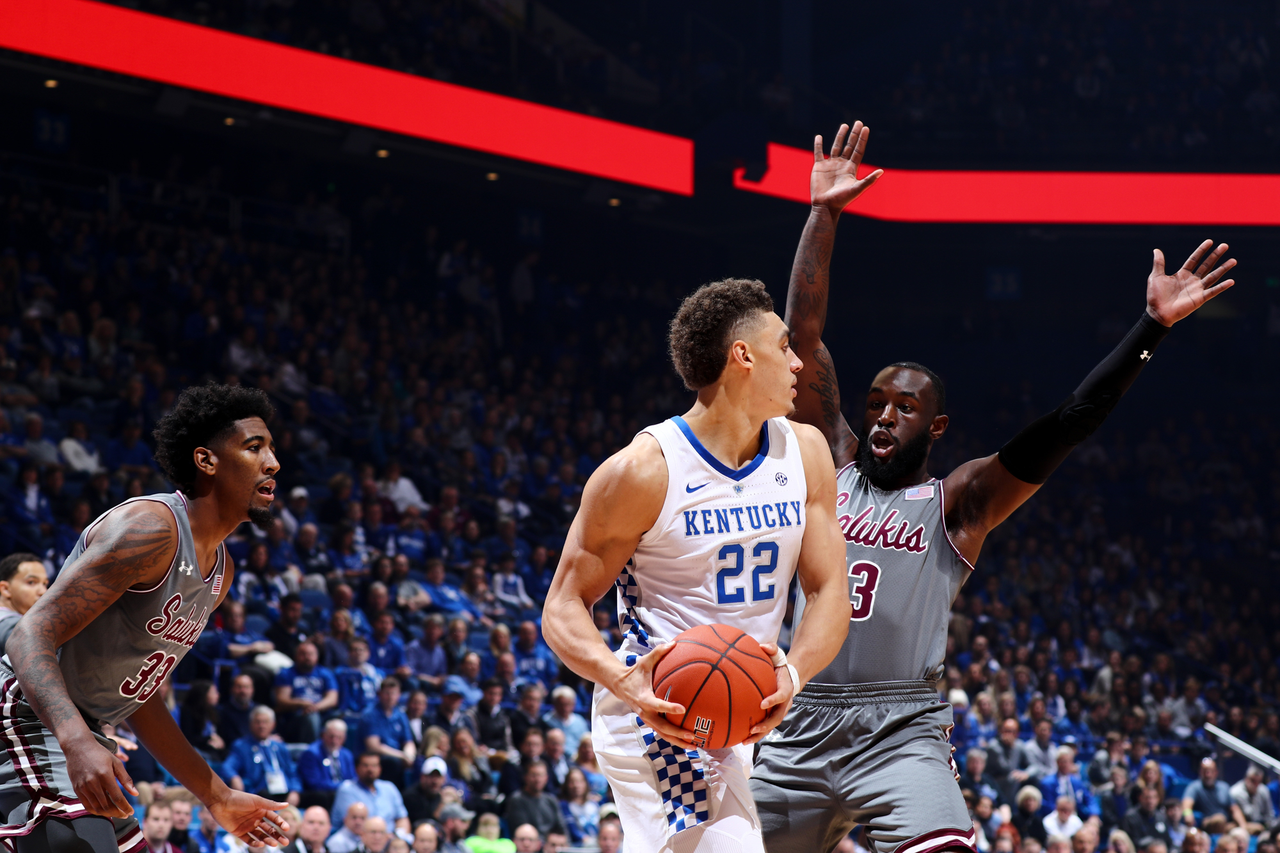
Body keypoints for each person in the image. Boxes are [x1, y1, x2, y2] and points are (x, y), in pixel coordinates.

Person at [751, 121, 1238, 853]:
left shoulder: (960, 502)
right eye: (876, 402)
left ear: (936, 427)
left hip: (900, 728)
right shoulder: (834, 462)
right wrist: (823, 213)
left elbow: (1070, 421)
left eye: (903, 407)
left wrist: (1151, 327)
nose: (882, 416)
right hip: (801, 715)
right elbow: (803, 336)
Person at [542, 272, 849, 848]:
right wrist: (621, 680)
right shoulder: (643, 471)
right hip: (656, 707)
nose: (798, 364)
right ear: (743, 356)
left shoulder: (805, 452)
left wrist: (793, 672)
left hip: (735, 707)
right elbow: (562, 606)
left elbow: (832, 593)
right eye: (783, 347)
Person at [0, 384, 291, 852]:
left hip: (83, 726)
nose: (272, 462)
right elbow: (28, 634)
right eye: (254, 447)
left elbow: (139, 695)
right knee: (72, 842)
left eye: (272, 449)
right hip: (26, 708)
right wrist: (76, 741)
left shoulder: (220, 574)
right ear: (206, 461)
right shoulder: (151, 529)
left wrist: (217, 796)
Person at [222, 706, 302, 807]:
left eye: (265, 722)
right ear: (250, 724)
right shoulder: (241, 746)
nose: (261, 726)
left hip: (283, 791)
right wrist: (234, 778)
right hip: (259, 792)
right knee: (264, 795)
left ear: (273, 725)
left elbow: (292, 772)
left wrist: (295, 791)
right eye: (257, 722)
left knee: (320, 797)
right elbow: (227, 767)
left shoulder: (280, 747)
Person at [331, 752, 410, 838]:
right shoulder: (346, 790)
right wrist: (381, 838)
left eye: (374, 765)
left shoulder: (389, 788)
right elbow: (354, 826)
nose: (370, 769)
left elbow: (402, 818)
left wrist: (398, 836)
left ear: (380, 769)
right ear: (356, 768)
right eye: (366, 765)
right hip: (358, 841)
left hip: (390, 841)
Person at [296, 718, 357, 811]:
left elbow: (352, 778)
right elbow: (314, 783)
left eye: (339, 737)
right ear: (323, 735)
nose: (334, 741)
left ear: (344, 738)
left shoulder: (346, 755)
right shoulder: (312, 753)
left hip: (341, 794)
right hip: (321, 797)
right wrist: (342, 786)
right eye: (331, 736)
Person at [503, 761, 566, 841]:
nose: (538, 779)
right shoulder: (516, 800)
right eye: (534, 775)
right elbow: (522, 832)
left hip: (553, 846)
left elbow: (562, 829)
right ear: (525, 777)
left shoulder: (551, 800)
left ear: (546, 778)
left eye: (541, 775)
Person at [0, 552, 47, 654]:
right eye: (31, 582)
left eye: (44, 584)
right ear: (5, 589)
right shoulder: (15, 627)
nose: (43, 591)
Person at [1181, 758, 1239, 833]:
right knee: (1219, 819)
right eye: (1205, 771)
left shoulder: (1224, 787)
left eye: (1211, 771)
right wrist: (1187, 815)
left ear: (1216, 772)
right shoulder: (1194, 787)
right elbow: (1186, 804)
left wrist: (1243, 826)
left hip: (1225, 825)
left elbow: (1235, 809)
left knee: (1256, 828)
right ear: (1200, 772)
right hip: (1207, 824)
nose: (1208, 774)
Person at [1227, 765, 1273, 834]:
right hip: (1242, 825)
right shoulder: (1235, 792)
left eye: (1258, 781)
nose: (1255, 784)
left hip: (1262, 826)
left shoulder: (1264, 790)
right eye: (1253, 781)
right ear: (1246, 778)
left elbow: (1269, 815)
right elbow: (1249, 815)